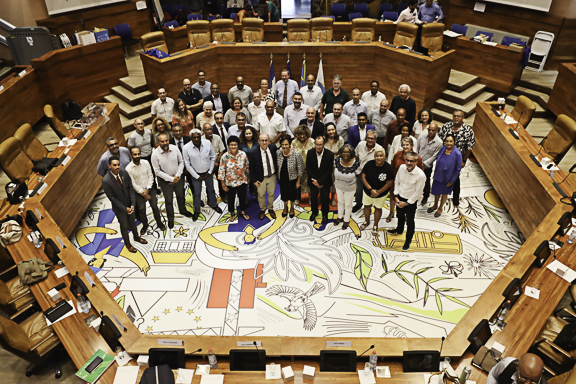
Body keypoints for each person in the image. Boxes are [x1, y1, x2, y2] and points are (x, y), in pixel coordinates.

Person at [102, 156, 147, 253]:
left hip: (130, 205)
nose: (117, 167)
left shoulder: (124, 173)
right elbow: (112, 199)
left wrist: (132, 203)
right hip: (120, 209)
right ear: (109, 166)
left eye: (118, 164)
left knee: (133, 223)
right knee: (124, 226)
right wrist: (125, 209)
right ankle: (128, 244)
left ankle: (136, 237)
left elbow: (130, 187)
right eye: (114, 165)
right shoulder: (106, 181)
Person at [387, 151, 425, 251]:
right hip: (399, 198)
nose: (408, 163)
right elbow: (397, 181)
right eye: (407, 160)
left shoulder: (421, 175)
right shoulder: (401, 167)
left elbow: (418, 193)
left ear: (416, 162)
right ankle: (399, 230)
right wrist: (395, 195)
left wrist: (407, 203)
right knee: (399, 215)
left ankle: (408, 241)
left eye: (411, 161)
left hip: (410, 202)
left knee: (410, 221)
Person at [152, 133, 191, 228]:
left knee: (181, 196)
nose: (165, 143)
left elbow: (181, 162)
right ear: (158, 142)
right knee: (168, 200)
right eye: (162, 141)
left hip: (178, 178)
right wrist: (171, 179)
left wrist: (177, 176)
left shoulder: (174, 148)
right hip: (166, 182)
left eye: (166, 140)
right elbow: (157, 171)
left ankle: (183, 210)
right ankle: (170, 218)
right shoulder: (155, 154)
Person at [183, 129, 223, 221]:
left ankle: (214, 204)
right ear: (191, 138)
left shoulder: (207, 143)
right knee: (197, 193)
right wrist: (197, 176)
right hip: (196, 175)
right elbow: (187, 164)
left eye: (198, 137)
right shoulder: (186, 148)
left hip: (208, 173)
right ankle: (197, 210)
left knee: (211, 190)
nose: (197, 139)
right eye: (194, 137)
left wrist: (209, 172)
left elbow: (213, 157)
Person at [438, 109, 475, 207]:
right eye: (454, 116)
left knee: (455, 179)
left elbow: (469, 147)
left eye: (458, 116)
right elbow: (439, 139)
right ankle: (440, 194)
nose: (456, 118)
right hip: (444, 157)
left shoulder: (468, 130)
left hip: (457, 160)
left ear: (463, 118)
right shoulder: (446, 126)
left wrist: (464, 160)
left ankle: (455, 198)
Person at [126, 147, 166, 234]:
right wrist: (143, 193)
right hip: (138, 193)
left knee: (155, 207)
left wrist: (147, 189)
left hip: (150, 189)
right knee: (142, 210)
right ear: (131, 155)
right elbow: (133, 184)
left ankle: (159, 223)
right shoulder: (128, 168)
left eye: (138, 154)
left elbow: (151, 176)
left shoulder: (146, 162)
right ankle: (145, 225)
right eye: (135, 154)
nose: (137, 156)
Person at [388, 137, 424, 222]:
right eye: (403, 145)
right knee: (393, 197)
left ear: (411, 145)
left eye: (407, 145)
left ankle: (406, 215)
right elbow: (392, 166)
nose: (405, 147)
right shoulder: (397, 154)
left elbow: (420, 170)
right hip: (397, 180)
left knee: (406, 199)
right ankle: (391, 213)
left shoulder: (417, 157)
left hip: (410, 183)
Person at [361, 148, 394, 235]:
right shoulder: (369, 164)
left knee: (378, 208)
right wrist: (371, 190)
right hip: (368, 192)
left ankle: (375, 225)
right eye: (377, 156)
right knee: (367, 206)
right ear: (374, 156)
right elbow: (363, 177)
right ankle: (366, 221)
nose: (379, 158)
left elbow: (389, 183)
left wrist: (378, 192)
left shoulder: (388, 168)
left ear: (384, 156)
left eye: (381, 156)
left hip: (381, 194)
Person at [427, 134, 462, 217]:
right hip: (438, 175)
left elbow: (458, 169)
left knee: (444, 193)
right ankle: (435, 205)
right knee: (436, 192)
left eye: (451, 141)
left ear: (454, 142)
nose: (448, 143)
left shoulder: (457, 153)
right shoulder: (443, 149)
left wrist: (452, 181)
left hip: (448, 178)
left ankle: (440, 208)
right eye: (447, 141)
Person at [218, 136, 250, 221]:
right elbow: (221, 170)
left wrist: (248, 179)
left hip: (242, 181)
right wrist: (222, 184)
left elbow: (247, 167)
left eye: (235, 144)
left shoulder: (243, 154)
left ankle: (243, 211)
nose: (233, 146)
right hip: (230, 182)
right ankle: (232, 213)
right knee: (231, 199)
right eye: (231, 145)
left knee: (242, 197)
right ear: (228, 145)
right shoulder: (225, 156)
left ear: (238, 145)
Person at [249, 134, 278, 220]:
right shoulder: (253, 153)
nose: (265, 142)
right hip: (260, 178)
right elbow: (251, 168)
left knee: (271, 194)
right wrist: (254, 180)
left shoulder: (273, 148)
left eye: (266, 140)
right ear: (259, 141)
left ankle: (270, 208)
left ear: (269, 141)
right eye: (262, 140)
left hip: (272, 176)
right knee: (261, 195)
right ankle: (262, 210)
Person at [306, 136, 334, 224]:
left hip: (325, 181)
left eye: (320, 145)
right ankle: (314, 212)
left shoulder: (330, 154)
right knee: (313, 197)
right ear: (315, 144)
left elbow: (329, 171)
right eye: (317, 145)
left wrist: (319, 182)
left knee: (325, 198)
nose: (318, 147)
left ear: (324, 144)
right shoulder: (310, 153)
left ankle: (325, 214)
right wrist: (315, 181)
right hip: (313, 181)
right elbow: (308, 168)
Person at [354, 130, 382, 213]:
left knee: (370, 192)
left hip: (372, 175)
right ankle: (358, 204)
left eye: (372, 138)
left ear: (376, 139)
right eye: (368, 138)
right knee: (359, 191)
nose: (370, 140)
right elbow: (356, 156)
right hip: (360, 173)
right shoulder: (360, 144)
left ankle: (370, 207)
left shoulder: (379, 149)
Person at [276, 134, 304, 218]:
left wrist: (298, 181)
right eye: (283, 144)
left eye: (286, 144)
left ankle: (292, 208)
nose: (284, 146)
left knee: (292, 196)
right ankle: (285, 207)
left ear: (290, 144)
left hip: (293, 179)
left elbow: (300, 169)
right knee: (284, 195)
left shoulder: (296, 154)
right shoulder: (278, 153)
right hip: (283, 178)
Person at [333, 144, 360, 230]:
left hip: (350, 188)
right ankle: (340, 217)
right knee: (340, 202)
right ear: (341, 152)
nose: (345, 154)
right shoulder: (336, 161)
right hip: (338, 186)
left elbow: (359, 174)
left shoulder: (356, 163)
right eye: (344, 152)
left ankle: (346, 220)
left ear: (351, 153)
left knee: (348, 205)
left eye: (348, 152)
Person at [127, 118, 157, 191]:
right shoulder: (132, 137)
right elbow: (130, 148)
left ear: (144, 124)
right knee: (144, 174)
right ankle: (145, 189)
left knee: (152, 172)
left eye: (142, 123)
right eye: (138, 124)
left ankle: (154, 188)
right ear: (135, 125)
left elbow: (152, 143)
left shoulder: (148, 132)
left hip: (150, 155)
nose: (140, 125)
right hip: (141, 158)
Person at [418, 122, 442, 205]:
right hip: (417, 163)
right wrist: (417, 161)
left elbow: (434, 156)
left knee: (426, 181)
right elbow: (417, 148)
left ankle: (425, 197)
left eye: (433, 130)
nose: (431, 132)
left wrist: (423, 163)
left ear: (437, 131)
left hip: (427, 166)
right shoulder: (421, 136)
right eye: (430, 130)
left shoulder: (439, 142)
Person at [291, 125, 315, 205]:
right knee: (298, 183)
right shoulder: (294, 143)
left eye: (304, 134)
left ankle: (311, 197)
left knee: (310, 183)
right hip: (298, 168)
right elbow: (292, 155)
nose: (302, 136)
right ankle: (297, 198)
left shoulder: (312, 141)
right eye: (300, 134)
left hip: (310, 167)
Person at [325, 122, 345, 207]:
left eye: (332, 129)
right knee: (324, 181)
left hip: (336, 164)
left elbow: (342, 153)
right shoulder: (323, 139)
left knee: (334, 181)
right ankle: (322, 196)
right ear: (326, 131)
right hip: (324, 164)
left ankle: (333, 197)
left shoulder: (340, 139)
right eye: (329, 130)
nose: (331, 131)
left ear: (335, 130)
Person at [169, 124, 194, 190]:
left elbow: (193, 154)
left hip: (190, 168)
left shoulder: (189, 139)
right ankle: (182, 200)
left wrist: (189, 167)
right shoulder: (169, 143)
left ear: (182, 131)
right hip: (177, 170)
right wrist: (181, 170)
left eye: (179, 130)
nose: (178, 133)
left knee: (194, 186)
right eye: (176, 131)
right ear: (172, 132)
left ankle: (197, 200)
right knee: (180, 189)